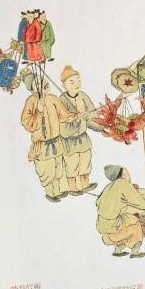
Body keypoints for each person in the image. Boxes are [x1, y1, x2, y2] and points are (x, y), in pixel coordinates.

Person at [20, 72, 77, 202]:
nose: (43, 84)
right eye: (38, 84)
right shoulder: (31, 101)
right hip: (42, 145)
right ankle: (50, 192)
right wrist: (38, 111)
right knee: (47, 170)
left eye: (43, 81)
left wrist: (73, 116)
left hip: (56, 141)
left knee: (58, 168)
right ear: (32, 89)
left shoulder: (52, 99)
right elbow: (27, 123)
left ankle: (59, 190)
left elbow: (63, 114)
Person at [95, 165, 145, 258]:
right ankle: (135, 251)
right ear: (123, 175)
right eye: (127, 173)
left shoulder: (109, 186)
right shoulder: (123, 184)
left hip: (102, 226)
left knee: (127, 219)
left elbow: (99, 202)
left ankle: (118, 249)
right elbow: (142, 203)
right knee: (135, 223)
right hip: (114, 226)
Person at [58, 65, 100, 196]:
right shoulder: (62, 100)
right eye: (72, 82)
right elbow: (62, 124)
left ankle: (85, 184)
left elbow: (93, 116)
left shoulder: (83, 96)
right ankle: (73, 188)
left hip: (83, 138)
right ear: (64, 85)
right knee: (71, 164)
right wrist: (76, 119)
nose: (76, 84)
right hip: (69, 141)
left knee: (85, 162)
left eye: (78, 81)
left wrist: (101, 126)